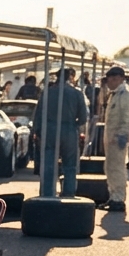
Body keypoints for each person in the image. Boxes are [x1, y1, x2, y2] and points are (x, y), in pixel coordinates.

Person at [32, 67, 88, 198]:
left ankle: (47, 192)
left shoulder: (47, 93)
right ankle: (68, 192)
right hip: (69, 130)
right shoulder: (77, 93)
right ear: (71, 77)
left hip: (49, 129)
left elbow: (38, 115)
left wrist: (38, 131)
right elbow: (83, 118)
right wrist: (74, 124)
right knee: (70, 165)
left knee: (49, 164)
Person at [99, 66, 129, 212]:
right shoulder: (115, 93)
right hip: (111, 137)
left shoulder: (125, 93)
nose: (108, 83)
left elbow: (127, 116)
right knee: (111, 168)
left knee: (117, 168)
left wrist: (121, 134)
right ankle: (114, 195)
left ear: (118, 78)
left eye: (110, 80)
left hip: (117, 137)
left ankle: (118, 199)